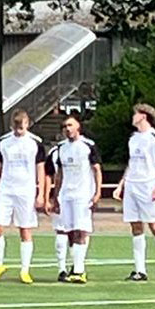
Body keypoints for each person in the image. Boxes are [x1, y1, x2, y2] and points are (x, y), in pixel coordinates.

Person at [114, 103, 155, 281]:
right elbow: (132, 164)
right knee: (135, 226)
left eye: (136, 114)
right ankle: (140, 270)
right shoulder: (133, 138)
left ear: (143, 116)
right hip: (133, 184)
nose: (133, 117)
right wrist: (121, 184)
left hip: (149, 184)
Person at [0, 108, 46, 285]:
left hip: (25, 191)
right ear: (12, 125)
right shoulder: (4, 142)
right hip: (6, 190)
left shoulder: (35, 143)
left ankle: (25, 269)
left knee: (24, 229)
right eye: (16, 126)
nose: (19, 129)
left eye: (22, 126)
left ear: (27, 124)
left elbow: (40, 169)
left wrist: (41, 193)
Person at [47, 114, 102, 284]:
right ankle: (64, 269)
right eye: (65, 126)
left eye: (70, 125)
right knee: (64, 231)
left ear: (78, 126)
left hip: (82, 194)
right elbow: (59, 174)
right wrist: (56, 196)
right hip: (66, 195)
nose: (67, 128)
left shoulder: (88, 146)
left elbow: (97, 169)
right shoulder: (61, 148)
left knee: (80, 230)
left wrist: (97, 192)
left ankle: (79, 270)